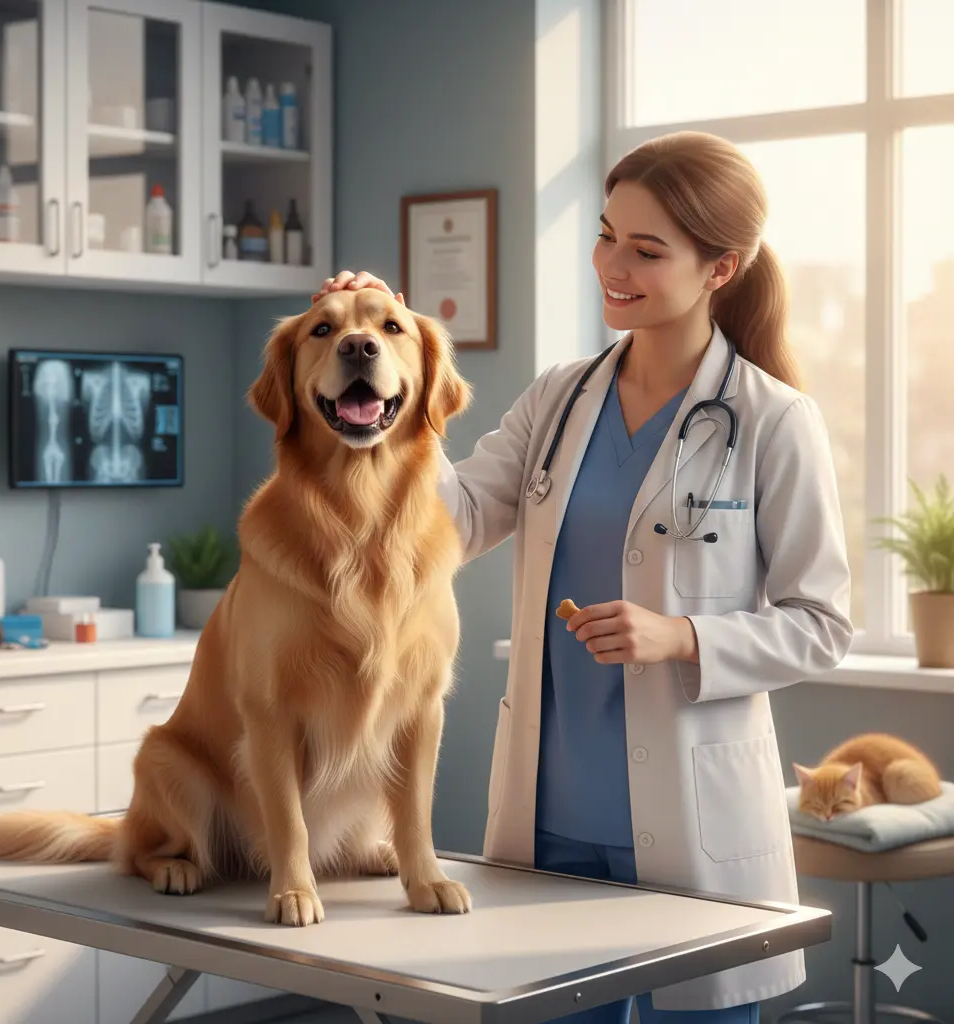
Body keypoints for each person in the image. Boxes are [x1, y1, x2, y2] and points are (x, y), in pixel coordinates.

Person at [313, 130, 853, 1023]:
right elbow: (450, 519)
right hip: (551, 816)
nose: (613, 264)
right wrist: (390, 360)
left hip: (694, 829)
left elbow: (822, 621)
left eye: (647, 250)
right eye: (607, 236)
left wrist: (681, 637)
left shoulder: (773, 419)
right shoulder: (559, 398)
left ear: (721, 269)